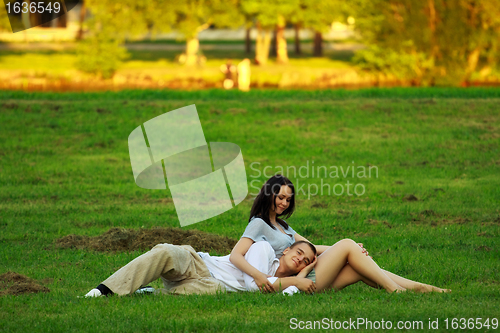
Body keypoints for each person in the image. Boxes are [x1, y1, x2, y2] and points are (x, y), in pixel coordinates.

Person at [230, 175, 450, 294]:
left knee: (366, 270)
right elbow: (235, 256)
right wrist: (260, 278)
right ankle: (395, 291)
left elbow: (311, 247)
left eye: (288, 199)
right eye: (280, 197)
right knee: (348, 245)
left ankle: (425, 289)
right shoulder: (259, 223)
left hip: (312, 274)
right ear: (270, 193)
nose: (284, 203)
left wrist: (351, 248)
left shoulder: (284, 226)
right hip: (300, 279)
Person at [84, 240, 317, 297]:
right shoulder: (265, 249)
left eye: (306, 261)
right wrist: (297, 280)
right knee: (166, 251)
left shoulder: (288, 285)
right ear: (285, 251)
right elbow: (252, 286)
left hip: (209, 285)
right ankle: (104, 290)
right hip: (198, 263)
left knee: (214, 291)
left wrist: (303, 276)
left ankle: (147, 291)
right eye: (299, 253)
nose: (301, 260)